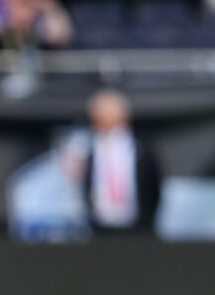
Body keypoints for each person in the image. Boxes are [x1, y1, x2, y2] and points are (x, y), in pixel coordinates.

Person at [64, 89, 160, 234]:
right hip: (101, 230)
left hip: (138, 230)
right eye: (99, 118)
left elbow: (154, 187)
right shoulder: (91, 150)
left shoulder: (141, 149)